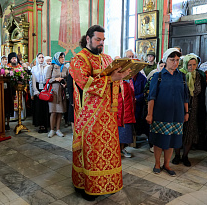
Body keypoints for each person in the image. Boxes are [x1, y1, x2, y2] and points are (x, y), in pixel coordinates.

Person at [70, 25, 131, 200]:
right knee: (92, 152)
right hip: (90, 116)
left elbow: (115, 82)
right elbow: (85, 84)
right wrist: (112, 78)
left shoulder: (107, 58)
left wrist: (124, 74)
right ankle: (85, 186)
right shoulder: (79, 60)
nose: (101, 43)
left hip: (108, 115)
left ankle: (107, 183)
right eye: (98, 39)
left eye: (103, 40)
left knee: (108, 152)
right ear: (88, 38)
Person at [146, 48, 189, 176]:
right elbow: (151, 97)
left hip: (177, 114)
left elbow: (185, 97)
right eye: (172, 60)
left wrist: (186, 112)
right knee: (159, 140)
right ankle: (157, 164)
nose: (175, 63)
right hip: (161, 114)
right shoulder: (158, 76)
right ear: (165, 60)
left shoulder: (181, 76)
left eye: (177, 60)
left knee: (172, 141)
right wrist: (149, 114)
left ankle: (167, 164)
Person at [172, 54, 207, 167]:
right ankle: (177, 155)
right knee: (178, 132)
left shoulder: (200, 76)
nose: (191, 67)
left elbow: (202, 93)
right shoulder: (179, 75)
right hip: (180, 108)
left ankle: (185, 156)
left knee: (189, 133)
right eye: (189, 64)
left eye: (194, 64)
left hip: (195, 109)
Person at [46, 52, 68, 138]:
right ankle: (52, 130)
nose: (63, 59)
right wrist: (55, 79)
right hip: (53, 91)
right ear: (57, 58)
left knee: (60, 111)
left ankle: (58, 129)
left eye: (63, 57)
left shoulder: (65, 68)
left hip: (62, 91)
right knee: (53, 111)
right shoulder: (51, 67)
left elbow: (67, 79)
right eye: (61, 57)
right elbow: (47, 80)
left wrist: (65, 84)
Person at [31, 53, 50, 133]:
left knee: (45, 107)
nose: (41, 59)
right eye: (39, 57)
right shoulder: (34, 68)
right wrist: (35, 91)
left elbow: (48, 79)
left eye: (42, 57)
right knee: (38, 108)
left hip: (45, 88)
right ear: (37, 59)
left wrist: (46, 90)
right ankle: (40, 125)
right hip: (38, 88)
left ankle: (46, 125)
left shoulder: (48, 67)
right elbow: (33, 80)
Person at [117, 79, 136, 158]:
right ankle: (118, 151)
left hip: (128, 110)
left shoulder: (129, 81)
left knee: (125, 134)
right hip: (120, 111)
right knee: (120, 133)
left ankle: (122, 149)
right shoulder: (118, 82)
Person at [8, 52, 26, 122]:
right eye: (12, 58)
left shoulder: (20, 67)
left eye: (15, 58)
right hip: (11, 88)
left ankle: (20, 117)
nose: (14, 60)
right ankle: (13, 117)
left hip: (19, 87)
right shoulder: (8, 67)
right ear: (10, 59)